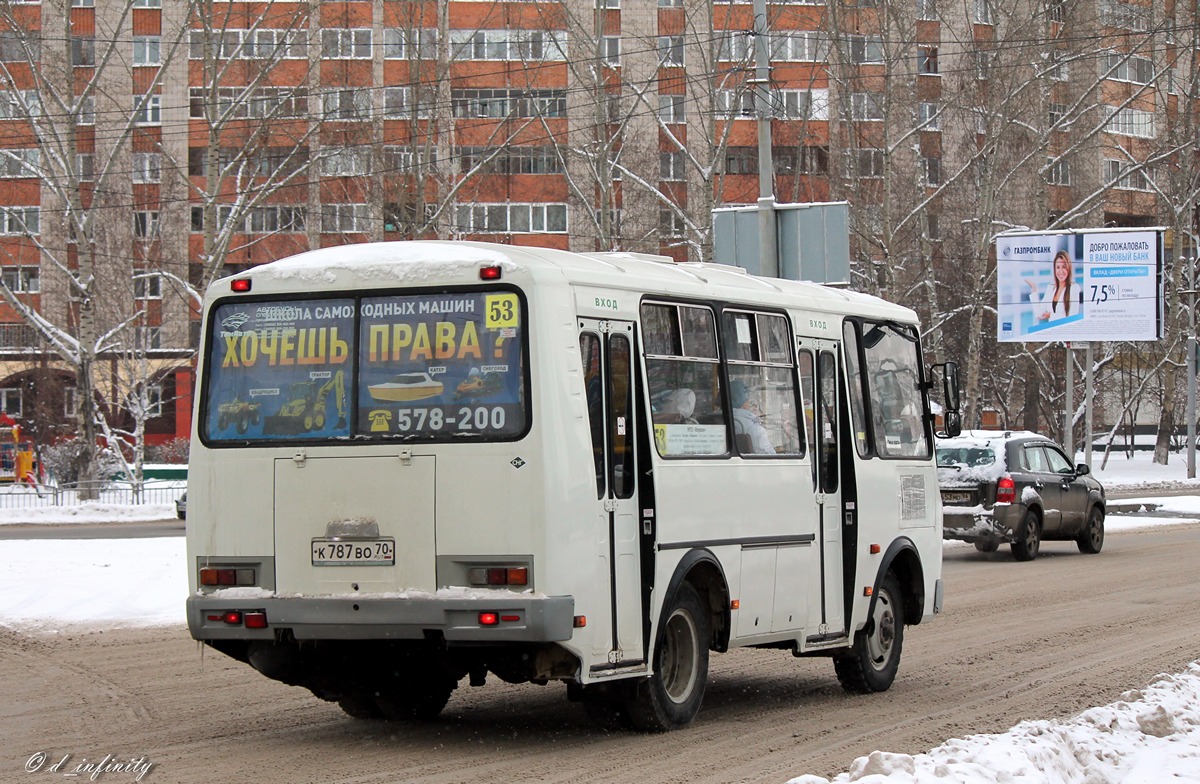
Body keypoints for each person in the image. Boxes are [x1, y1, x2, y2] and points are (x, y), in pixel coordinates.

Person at [1026, 250, 1078, 323]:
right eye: (1058, 267)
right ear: (1054, 269)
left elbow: (1073, 318)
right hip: (1052, 333)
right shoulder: (1050, 288)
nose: (1061, 271)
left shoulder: (1074, 288)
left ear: (1068, 268)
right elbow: (1039, 313)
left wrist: (1051, 315)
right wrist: (1033, 288)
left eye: (1064, 267)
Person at [730, 379, 774, 454]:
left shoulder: (713, 420)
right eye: (747, 399)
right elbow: (771, 459)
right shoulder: (756, 430)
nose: (749, 402)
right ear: (741, 401)